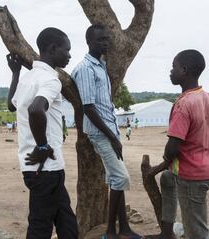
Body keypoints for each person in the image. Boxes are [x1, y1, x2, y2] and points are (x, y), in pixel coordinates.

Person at [147, 50, 209, 239]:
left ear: (184, 70)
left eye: (173, 67)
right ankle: (167, 234)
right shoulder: (208, 98)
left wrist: (165, 159)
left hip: (191, 175)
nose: (170, 71)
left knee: (196, 229)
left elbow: (173, 147)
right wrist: (202, 143)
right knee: (167, 179)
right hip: (203, 169)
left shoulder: (183, 104)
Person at [7, 27, 78, 239]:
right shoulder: (51, 80)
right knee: (40, 228)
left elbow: (12, 105)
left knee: (67, 221)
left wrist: (15, 73)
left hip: (46, 169)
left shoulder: (29, 78)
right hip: (44, 169)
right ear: (53, 48)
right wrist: (43, 146)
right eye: (67, 50)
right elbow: (36, 109)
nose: (69, 55)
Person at [71, 24, 139, 239]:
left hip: (111, 132)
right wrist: (112, 137)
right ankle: (110, 232)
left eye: (106, 39)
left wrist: (115, 135)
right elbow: (88, 108)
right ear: (89, 42)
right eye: (100, 40)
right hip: (102, 134)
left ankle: (124, 227)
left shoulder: (101, 66)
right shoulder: (85, 69)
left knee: (115, 179)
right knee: (121, 178)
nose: (105, 43)